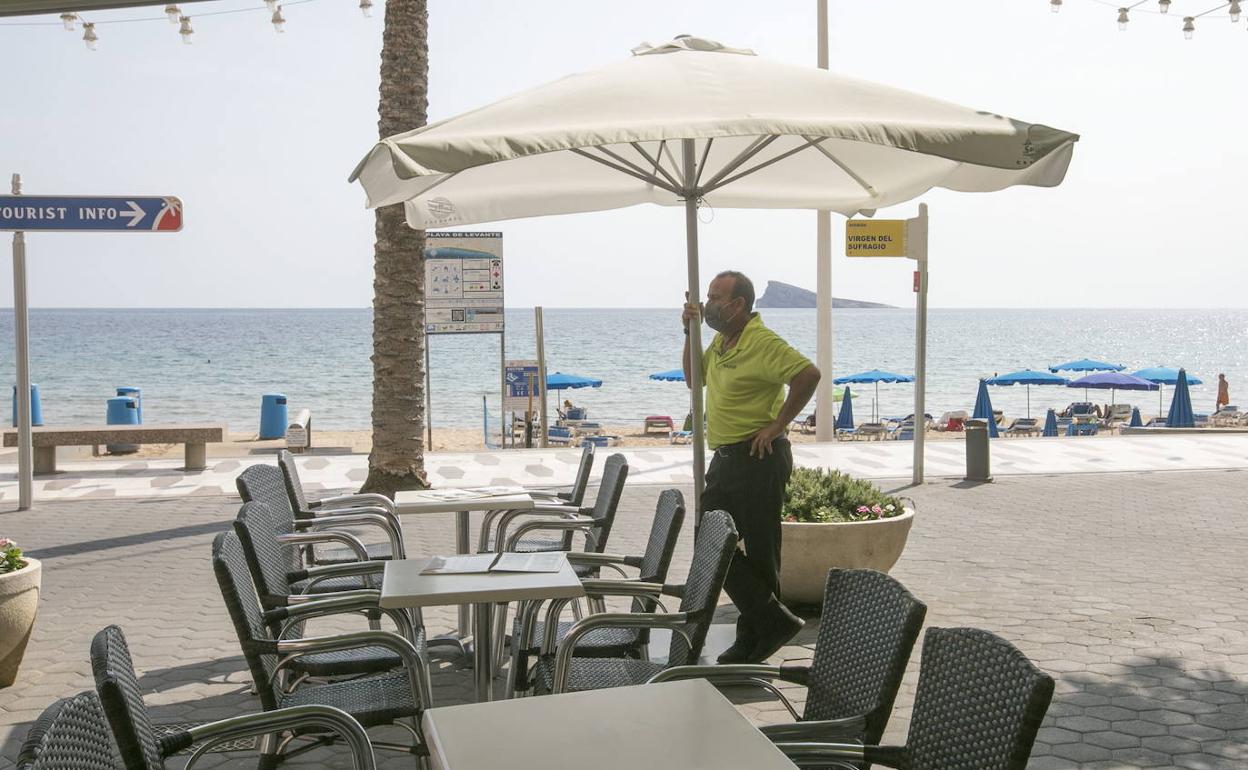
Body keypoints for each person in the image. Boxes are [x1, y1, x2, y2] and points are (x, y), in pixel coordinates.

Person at [681, 270, 821, 664]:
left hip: (757, 459)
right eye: (708, 297)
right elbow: (695, 380)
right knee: (709, 542)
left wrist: (778, 423)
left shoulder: (762, 341)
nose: (708, 304)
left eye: (715, 297)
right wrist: (690, 333)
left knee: (760, 553)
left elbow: (808, 375)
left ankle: (754, 639)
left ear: (738, 304)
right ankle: (772, 621)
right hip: (726, 458)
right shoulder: (723, 342)